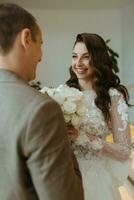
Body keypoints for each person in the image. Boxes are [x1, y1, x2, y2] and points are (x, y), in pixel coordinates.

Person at [0, 3, 84, 200]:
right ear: (26, 38)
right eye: (41, 44)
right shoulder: (40, 110)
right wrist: (63, 139)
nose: (41, 56)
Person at [66, 33, 131, 200]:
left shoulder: (113, 96)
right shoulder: (64, 94)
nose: (78, 63)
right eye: (74, 56)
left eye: (86, 57)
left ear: (98, 59)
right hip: (65, 177)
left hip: (96, 181)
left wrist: (82, 136)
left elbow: (124, 151)